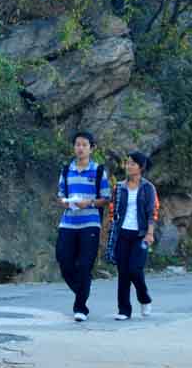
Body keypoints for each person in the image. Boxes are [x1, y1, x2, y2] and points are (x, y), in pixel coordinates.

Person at [55, 130, 110, 322]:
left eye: (84, 145)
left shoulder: (99, 171)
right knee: (63, 260)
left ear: (92, 148)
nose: (80, 148)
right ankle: (82, 290)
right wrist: (64, 201)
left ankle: (80, 307)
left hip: (90, 223)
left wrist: (90, 203)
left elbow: (106, 198)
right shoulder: (66, 170)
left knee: (85, 265)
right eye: (77, 144)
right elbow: (60, 194)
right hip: (68, 222)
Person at [110, 151, 157, 320]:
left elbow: (151, 212)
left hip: (141, 235)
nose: (128, 166)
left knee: (135, 269)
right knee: (123, 272)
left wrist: (150, 234)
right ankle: (124, 310)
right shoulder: (119, 187)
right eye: (127, 163)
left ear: (141, 167)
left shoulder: (148, 187)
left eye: (132, 163)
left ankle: (144, 298)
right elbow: (114, 212)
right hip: (122, 233)